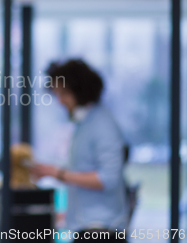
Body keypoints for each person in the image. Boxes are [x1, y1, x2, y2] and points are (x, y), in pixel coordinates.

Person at [31, 59, 128, 238]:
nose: (60, 101)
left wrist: (57, 173)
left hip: (101, 229)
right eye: (57, 94)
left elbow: (107, 179)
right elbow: (83, 170)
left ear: (80, 91)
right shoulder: (84, 124)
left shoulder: (102, 125)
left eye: (64, 94)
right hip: (86, 226)